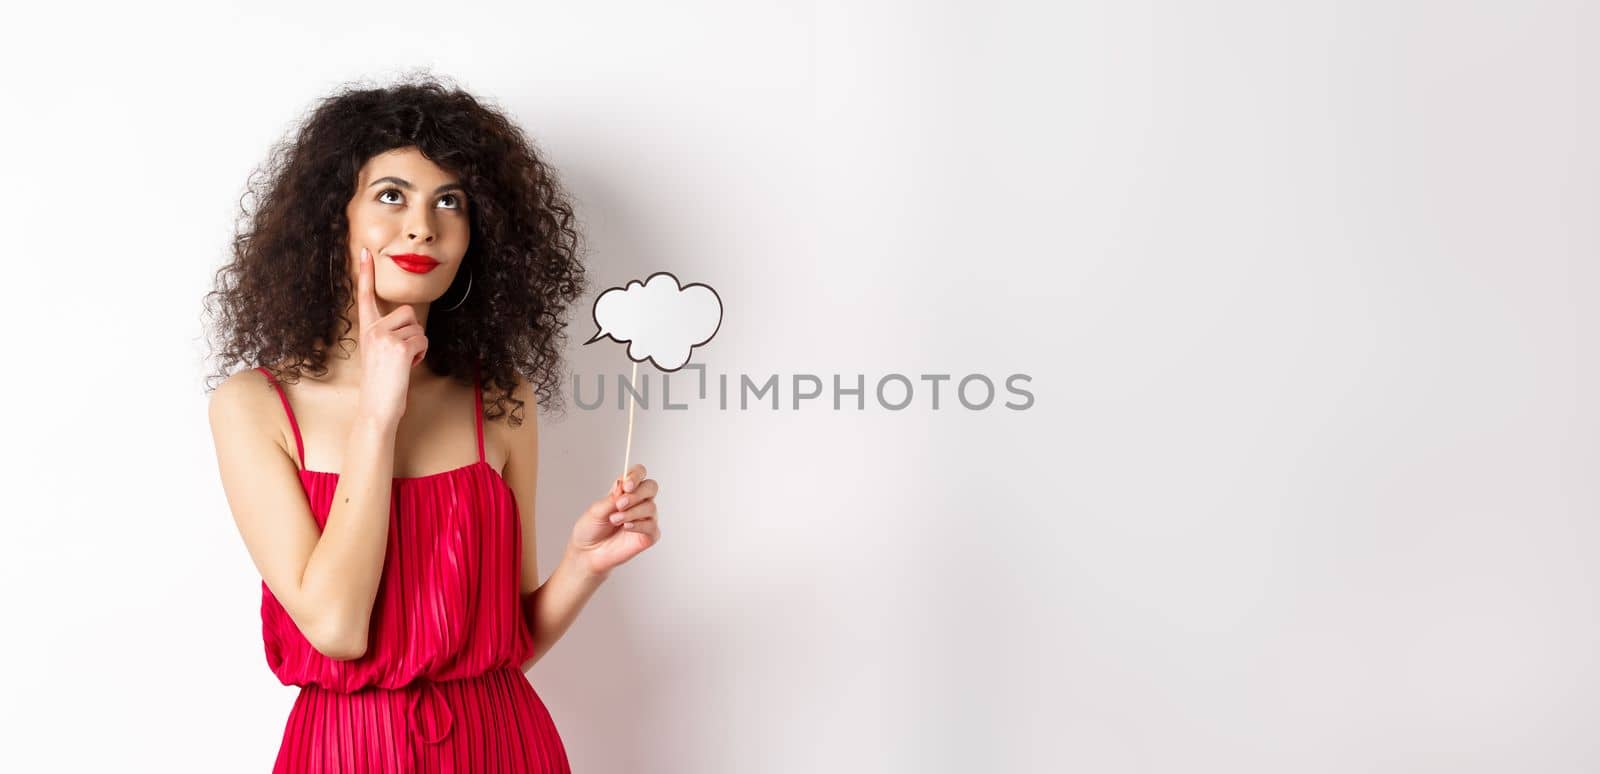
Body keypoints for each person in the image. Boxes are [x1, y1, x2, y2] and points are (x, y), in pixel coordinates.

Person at [202, 73, 662, 772]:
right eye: (392, 196)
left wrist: (584, 564)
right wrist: (377, 416)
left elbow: (508, 642)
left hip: (503, 745)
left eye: (451, 201)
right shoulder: (254, 406)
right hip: (348, 752)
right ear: (337, 217)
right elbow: (336, 628)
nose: (424, 225)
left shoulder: (500, 401)